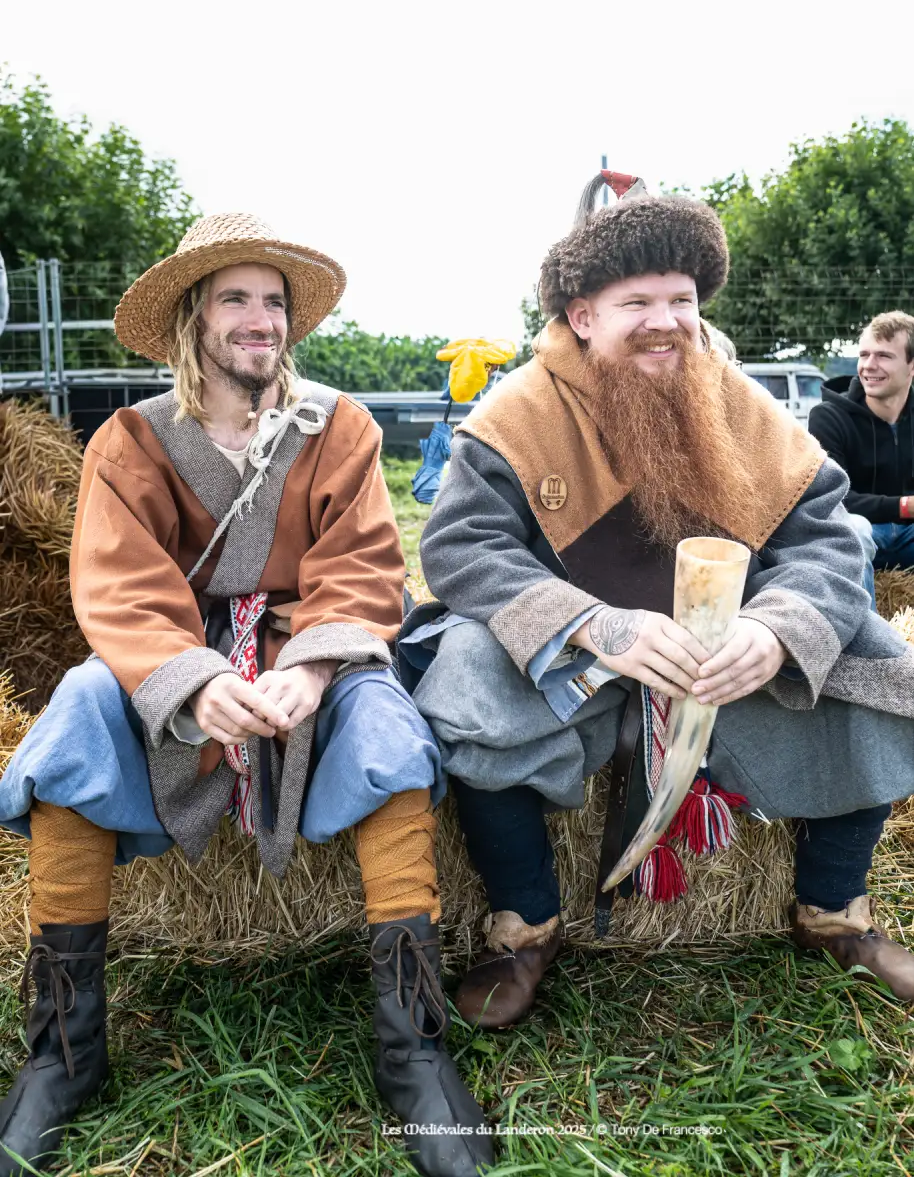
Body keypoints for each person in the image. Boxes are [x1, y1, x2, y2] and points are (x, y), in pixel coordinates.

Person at [0, 214, 492, 1177]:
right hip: (175, 658)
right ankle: (62, 1052)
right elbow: (118, 586)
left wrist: (310, 666)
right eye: (237, 299)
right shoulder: (130, 442)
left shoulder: (338, 427)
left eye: (274, 302)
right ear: (193, 317)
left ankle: (414, 1049)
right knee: (69, 720)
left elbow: (363, 567)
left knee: (389, 725)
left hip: (309, 653)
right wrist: (196, 683)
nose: (261, 320)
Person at [399, 173, 914, 1032]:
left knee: (878, 661)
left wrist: (775, 630)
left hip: (724, 666)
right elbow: (459, 549)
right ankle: (525, 925)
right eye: (637, 300)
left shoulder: (740, 403)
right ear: (581, 314)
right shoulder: (517, 413)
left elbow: (828, 537)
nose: (666, 320)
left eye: (680, 298)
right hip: (577, 669)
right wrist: (592, 626)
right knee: (464, 674)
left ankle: (834, 912)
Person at [809, 312, 914, 609]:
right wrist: (904, 506)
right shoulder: (828, 417)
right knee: (854, 529)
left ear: (911, 366)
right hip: (858, 534)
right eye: (864, 354)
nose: (869, 366)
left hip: (908, 538)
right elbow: (833, 499)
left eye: (883, 356)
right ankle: (870, 644)